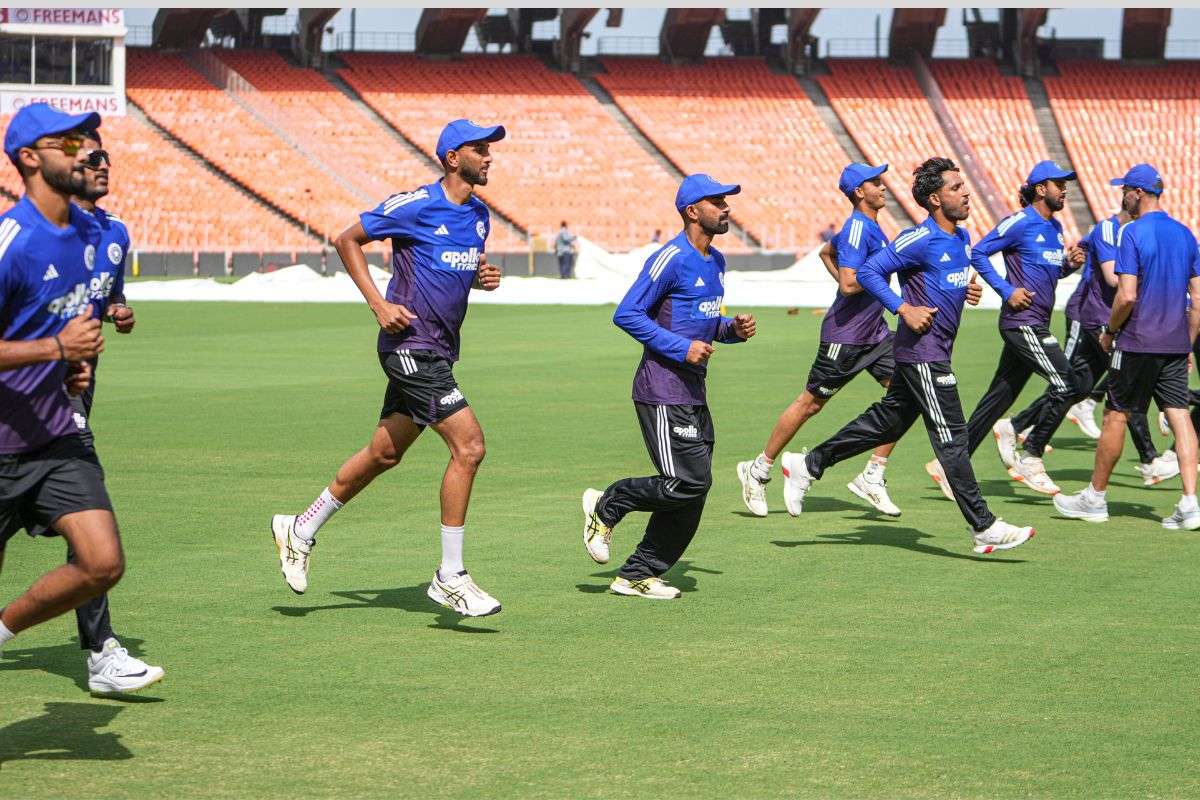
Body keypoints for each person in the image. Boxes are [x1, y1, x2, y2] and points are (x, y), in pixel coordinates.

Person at [270, 119, 505, 617]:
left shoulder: (481, 216)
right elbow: (346, 238)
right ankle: (450, 576)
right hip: (408, 347)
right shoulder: (414, 204)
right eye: (479, 149)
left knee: (383, 454)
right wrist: (378, 303)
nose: (489, 157)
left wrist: (480, 278)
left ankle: (300, 527)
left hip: (439, 349)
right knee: (470, 447)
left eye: (490, 149)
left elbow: (454, 270)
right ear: (450, 158)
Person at [778, 157, 1035, 555]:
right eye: (955, 188)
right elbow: (866, 274)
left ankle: (808, 464)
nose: (965, 193)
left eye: (963, 186)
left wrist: (963, 292)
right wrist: (903, 309)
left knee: (885, 422)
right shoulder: (919, 238)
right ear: (934, 199)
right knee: (952, 438)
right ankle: (983, 526)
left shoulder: (961, 239)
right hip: (923, 355)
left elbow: (941, 281)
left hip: (933, 352)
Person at [0, 104, 150, 690]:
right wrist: (55, 351)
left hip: (57, 433)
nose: (86, 150)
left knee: (101, 563)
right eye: (68, 142)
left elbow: (58, 327)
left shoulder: (96, 234)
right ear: (31, 159)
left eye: (88, 140)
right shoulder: (11, 242)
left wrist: (68, 373)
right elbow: (50, 338)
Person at [581, 174, 756, 599]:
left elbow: (703, 324)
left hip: (694, 392)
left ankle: (639, 573)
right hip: (661, 391)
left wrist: (730, 330)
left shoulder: (715, 262)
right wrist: (680, 348)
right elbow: (627, 313)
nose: (726, 208)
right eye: (717, 201)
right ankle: (609, 503)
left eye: (726, 201)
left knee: (693, 489)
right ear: (692, 211)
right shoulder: (670, 259)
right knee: (687, 483)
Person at [50, 127, 162, 693]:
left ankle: (100, 652)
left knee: (85, 518)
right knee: (83, 515)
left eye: (105, 156)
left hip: (75, 393)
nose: (101, 164)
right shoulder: (38, 232)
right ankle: (99, 651)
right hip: (30, 393)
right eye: (89, 156)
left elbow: (105, 293)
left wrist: (119, 309)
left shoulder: (115, 232)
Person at [737, 163, 900, 518]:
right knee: (811, 404)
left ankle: (873, 473)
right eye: (876, 182)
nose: (883, 186)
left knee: (907, 394)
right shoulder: (857, 229)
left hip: (875, 333)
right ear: (860, 192)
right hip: (846, 336)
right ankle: (759, 468)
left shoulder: (868, 227)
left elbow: (827, 252)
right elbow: (848, 283)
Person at [1054, 164, 1200, 529]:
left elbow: (1127, 295)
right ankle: (1190, 502)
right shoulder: (1185, 234)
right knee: (1180, 415)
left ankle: (1095, 498)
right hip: (1174, 341)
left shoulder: (1132, 232)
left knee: (1115, 414)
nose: (1122, 197)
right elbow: (1197, 300)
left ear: (1136, 193)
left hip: (1136, 340)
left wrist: (1109, 329)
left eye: (1124, 191)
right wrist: (1187, 345)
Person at [1008, 189, 1175, 486]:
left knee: (1078, 384)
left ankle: (1021, 432)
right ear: (1134, 197)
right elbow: (1114, 280)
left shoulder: (1133, 232)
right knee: (1126, 387)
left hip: (1112, 320)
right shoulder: (1109, 229)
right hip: (1098, 319)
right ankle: (1150, 458)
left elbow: (1082, 252)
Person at [940, 161, 1086, 497]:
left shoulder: (1056, 227)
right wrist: (1007, 291)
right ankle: (1031, 454)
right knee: (1070, 384)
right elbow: (978, 253)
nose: (1064, 190)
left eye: (1065, 184)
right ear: (1040, 189)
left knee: (995, 400)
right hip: (1022, 324)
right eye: (1058, 184)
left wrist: (1067, 265)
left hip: (1037, 323)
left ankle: (950, 469)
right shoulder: (1020, 222)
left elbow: (1048, 272)